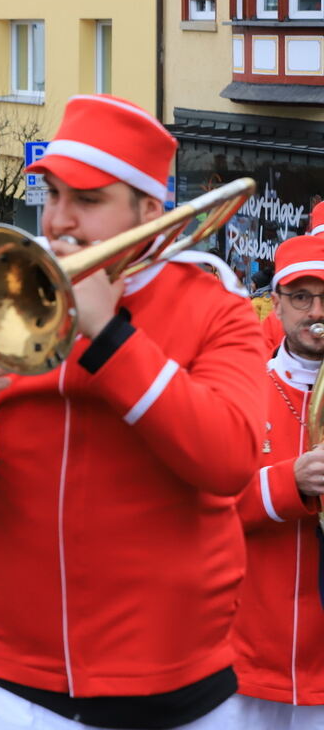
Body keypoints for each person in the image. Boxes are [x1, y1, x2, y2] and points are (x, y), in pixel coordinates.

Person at [0, 94, 268, 729]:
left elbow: (228, 461)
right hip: (8, 684)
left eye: (87, 201)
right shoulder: (2, 292)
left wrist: (108, 335)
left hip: (176, 689)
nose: (59, 220)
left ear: (149, 210)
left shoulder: (215, 307)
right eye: (53, 194)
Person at [229, 234, 324, 726]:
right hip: (248, 653)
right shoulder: (244, 387)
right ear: (278, 304)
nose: (315, 311)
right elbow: (207, 505)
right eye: (301, 297)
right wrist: (289, 482)